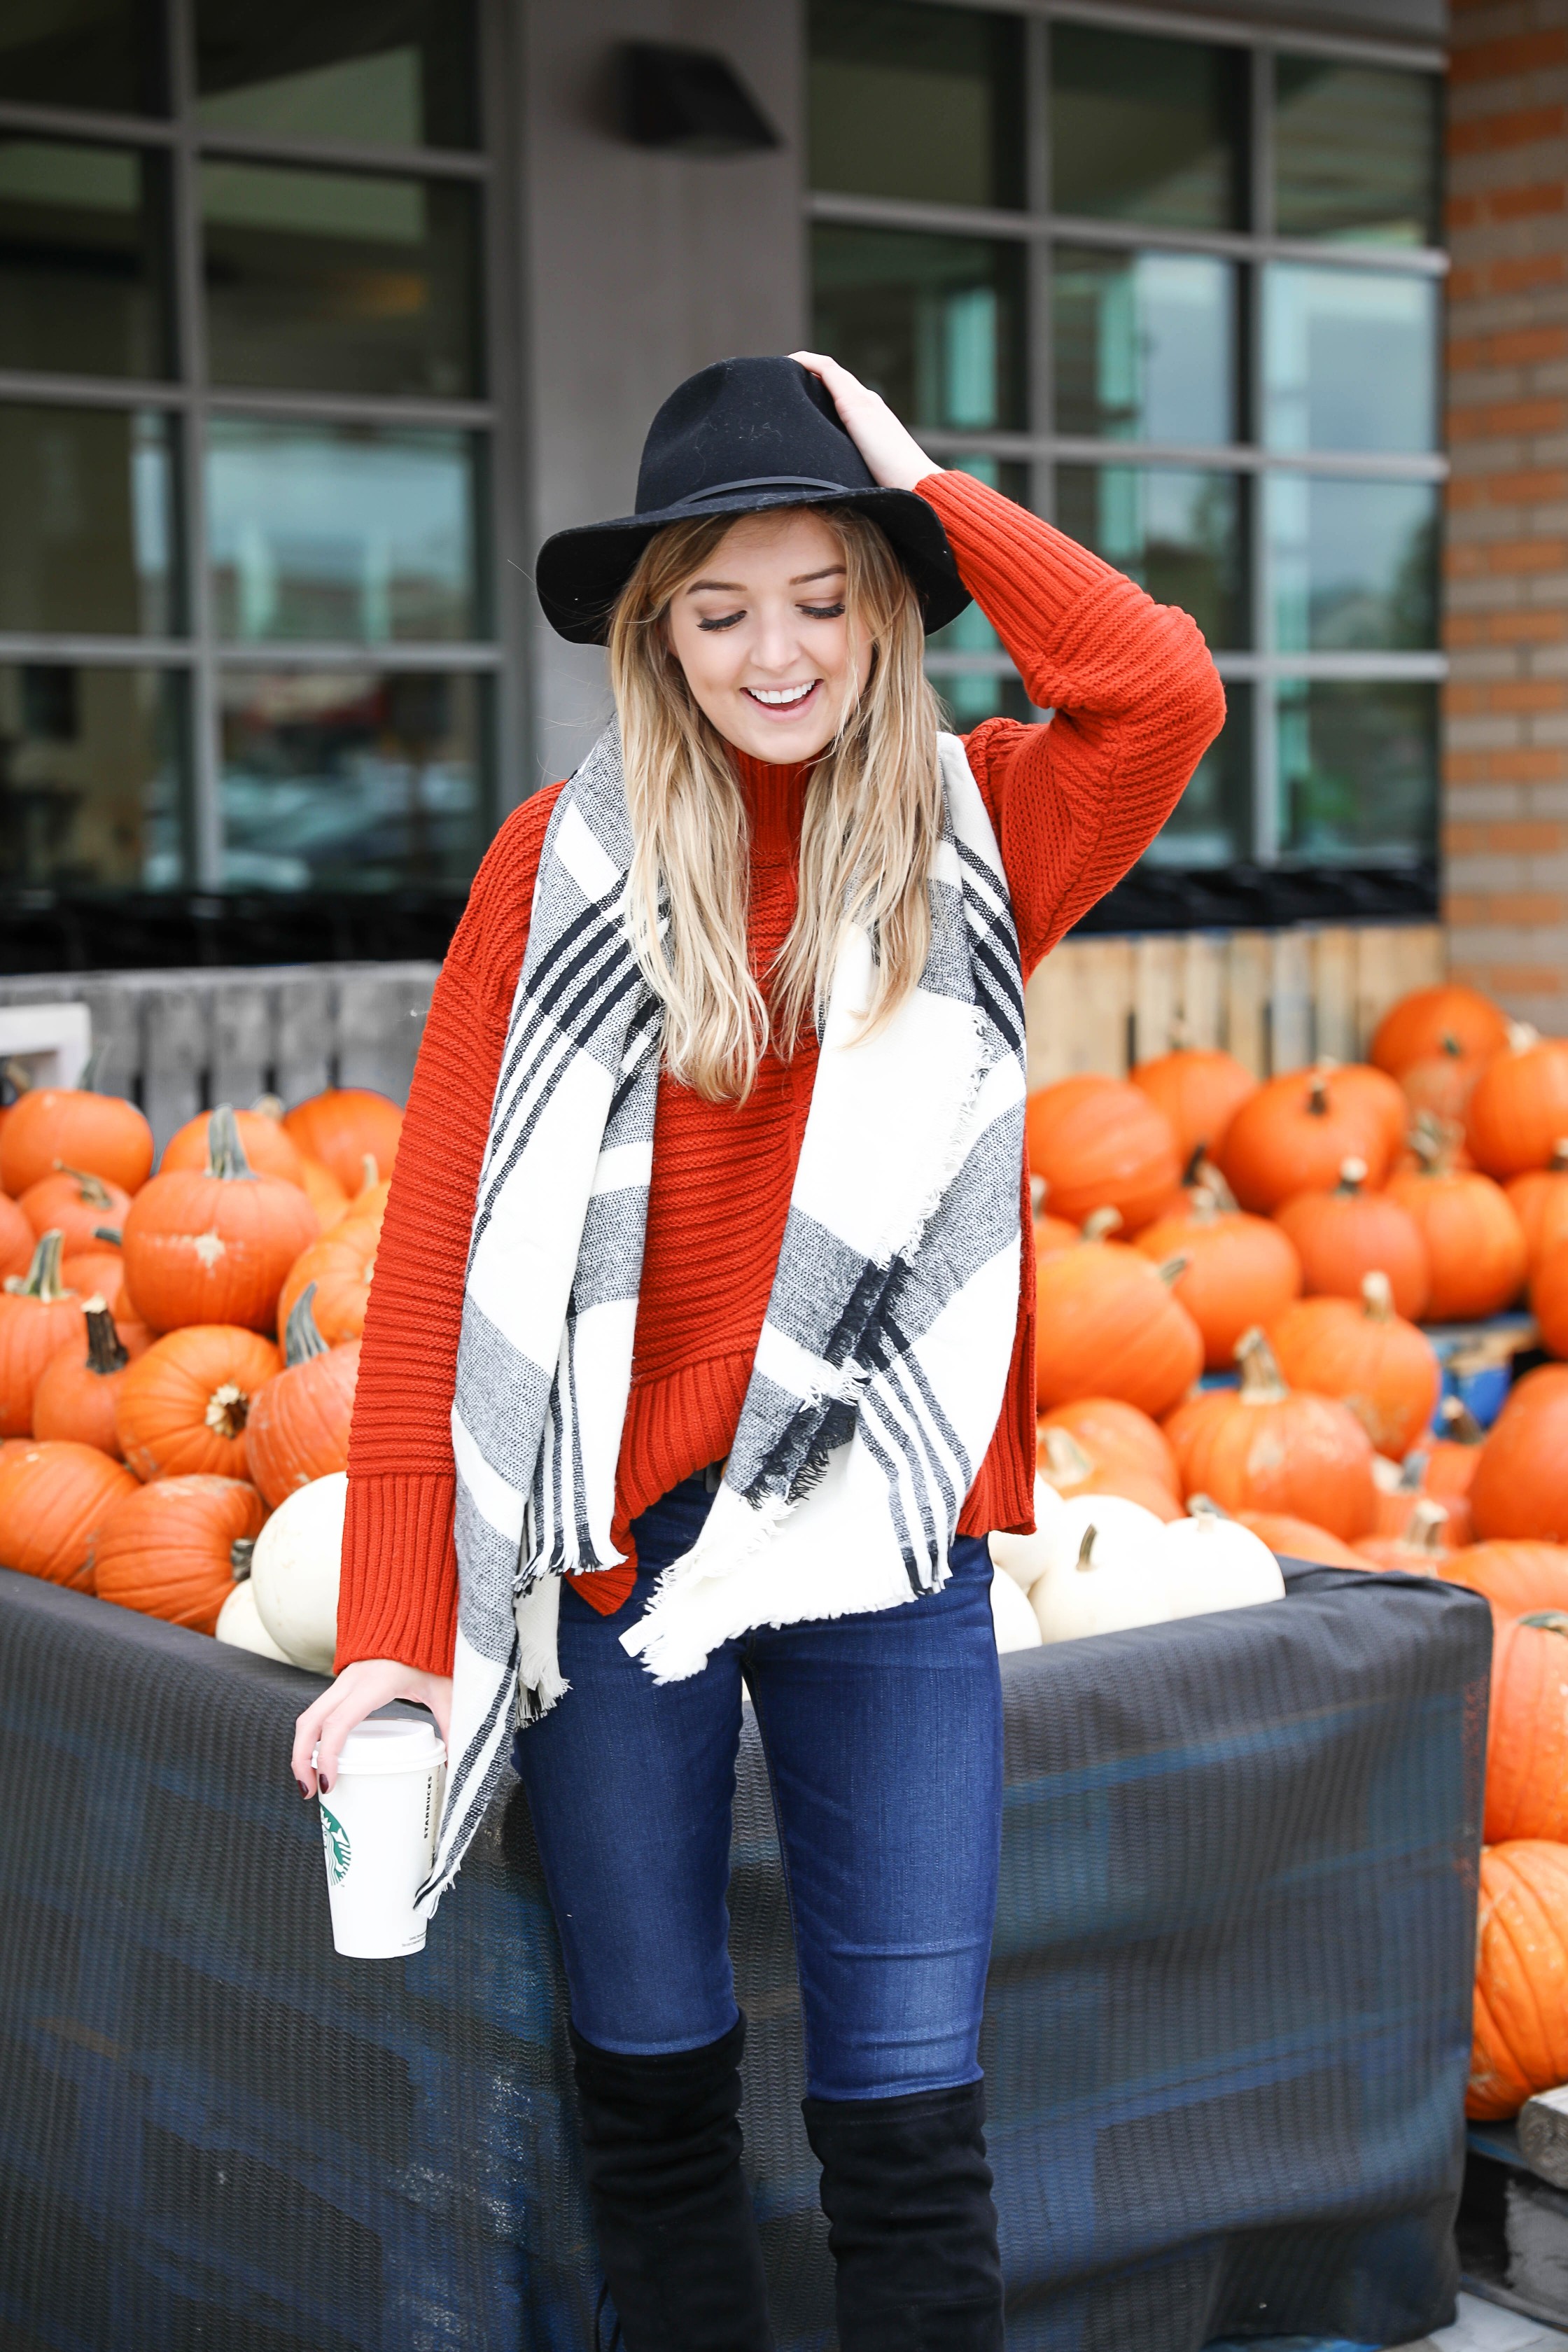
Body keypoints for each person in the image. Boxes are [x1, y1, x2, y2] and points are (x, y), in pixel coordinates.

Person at [292, 351, 1224, 2351]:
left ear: (886, 608)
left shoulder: (982, 831)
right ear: (658, 635)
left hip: (883, 1539)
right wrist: (395, 1620)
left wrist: (917, 480)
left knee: (907, 2114)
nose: (774, 650)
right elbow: (440, 1256)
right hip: (606, 1555)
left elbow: (1159, 694)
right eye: (719, 608)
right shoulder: (553, 875)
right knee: (648, 2088)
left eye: (824, 594)